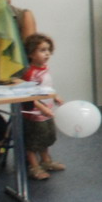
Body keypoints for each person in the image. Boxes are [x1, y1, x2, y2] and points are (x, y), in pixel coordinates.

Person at [20, 33, 64, 181]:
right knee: (33, 141)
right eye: (42, 50)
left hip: (46, 112)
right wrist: (42, 108)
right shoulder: (30, 74)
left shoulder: (44, 69)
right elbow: (29, 96)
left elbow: (46, 89)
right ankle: (34, 167)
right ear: (31, 54)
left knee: (45, 138)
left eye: (48, 50)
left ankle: (46, 161)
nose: (47, 54)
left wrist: (54, 96)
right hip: (34, 115)